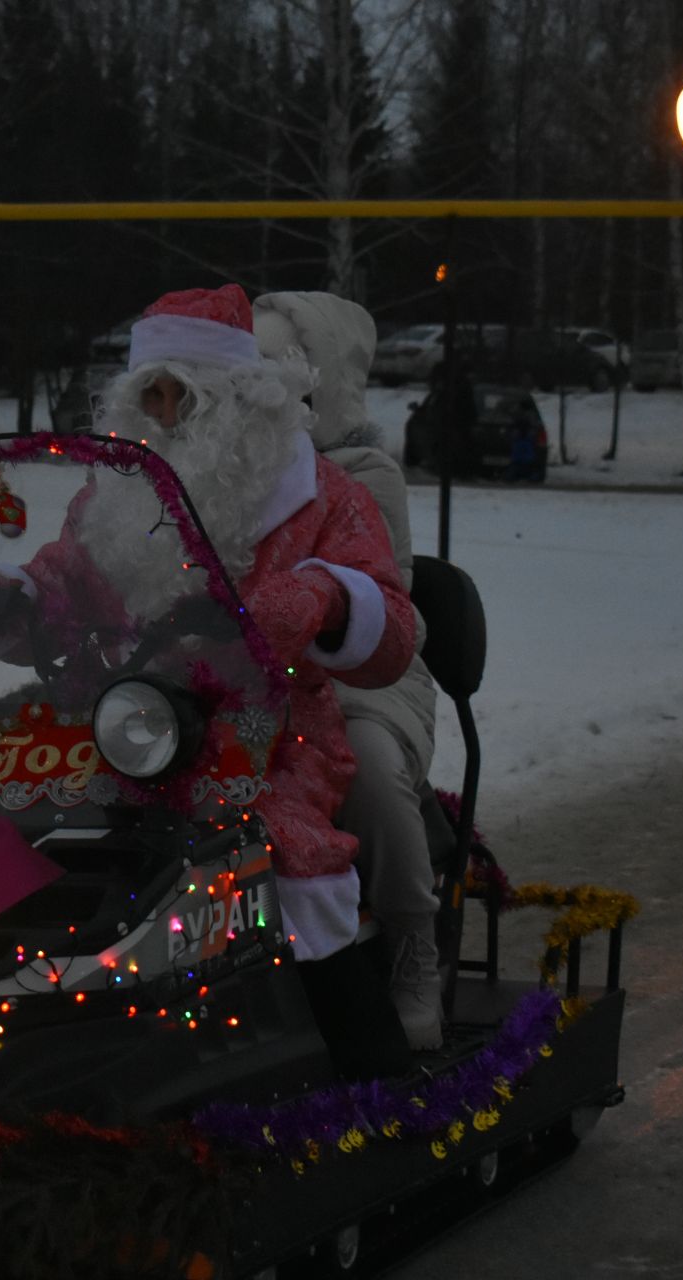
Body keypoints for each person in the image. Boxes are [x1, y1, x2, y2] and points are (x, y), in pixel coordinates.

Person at [0, 284, 419, 1078]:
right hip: (115, 723)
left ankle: (362, 1067)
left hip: (265, 733)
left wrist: (325, 597)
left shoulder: (321, 497)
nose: (159, 415)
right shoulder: (113, 497)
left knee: (290, 863)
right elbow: (64, 587)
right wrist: (10, 596)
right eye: (146, 395)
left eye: (177, 394)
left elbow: (392, 631)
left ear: (232, 395)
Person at [251, 290, 444, 1052]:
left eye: (269, 364)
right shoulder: (224, 467)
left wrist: (314, 609)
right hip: (246, 672)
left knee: (362, 766)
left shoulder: (362, 472)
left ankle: (410, 955)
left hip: (358, 675)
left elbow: (382, 606)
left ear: (315, 377)